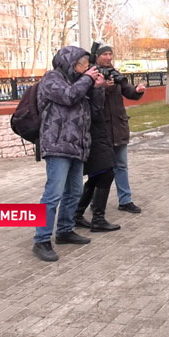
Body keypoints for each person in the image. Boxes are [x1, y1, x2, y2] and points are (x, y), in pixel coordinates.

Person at [32, 46, 105, 262]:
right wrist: (87, 79)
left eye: (86, 64)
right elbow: (68, 96)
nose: (85, 67)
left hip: (77, 146)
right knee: (53, 194)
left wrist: (98, 87)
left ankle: (65, 230)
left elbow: (95, 111)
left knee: (73, 192)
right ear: (68, 61)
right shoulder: (52, 78)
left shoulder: (79, 82)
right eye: (81, 63)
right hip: (56, 145)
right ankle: (41, 239)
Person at [95, 45, 146, 213]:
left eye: (110, 54)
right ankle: (95, 203)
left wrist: (137, 90)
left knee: (121, 166)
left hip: (119, 127)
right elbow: (88, 97)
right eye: (105, 54)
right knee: (100, 169)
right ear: (97, 56)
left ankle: (125, 200)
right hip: (101, 130)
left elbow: (127, 89)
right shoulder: (91, 74)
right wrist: (102, 88)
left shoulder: (115, 73)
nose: (109, 57)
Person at [73, 76, 121, 232]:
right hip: (91, 135)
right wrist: (98, 88)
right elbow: (92, 110)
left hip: (97, 133)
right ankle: (97, 219)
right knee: (106, 173)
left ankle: (78, 214)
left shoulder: (87, 80)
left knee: (97, 175)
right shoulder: (80, 82)